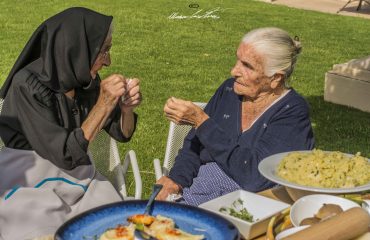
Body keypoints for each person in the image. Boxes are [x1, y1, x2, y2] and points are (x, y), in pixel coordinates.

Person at [0, 7, 141, 240]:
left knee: (110, 225)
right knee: (44, 231)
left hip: (77, 177)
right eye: (104, 50)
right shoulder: (27, 85)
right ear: (78, 48)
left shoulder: (86, 81)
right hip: (27, 184)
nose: (108, 61)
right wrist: (103, 105)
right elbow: (64, 154)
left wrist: (126, 110)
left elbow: (122, 133)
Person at [156, 27, 315, 206]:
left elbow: (255, 178)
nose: (234, 71)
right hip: (196, 193)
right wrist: (176, 180)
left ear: (275, 78)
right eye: (238, 60)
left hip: (243, 208)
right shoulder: (230, 90)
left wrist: (202, 122)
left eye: (247, 66)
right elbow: (194, 143)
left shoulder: (292, 112)